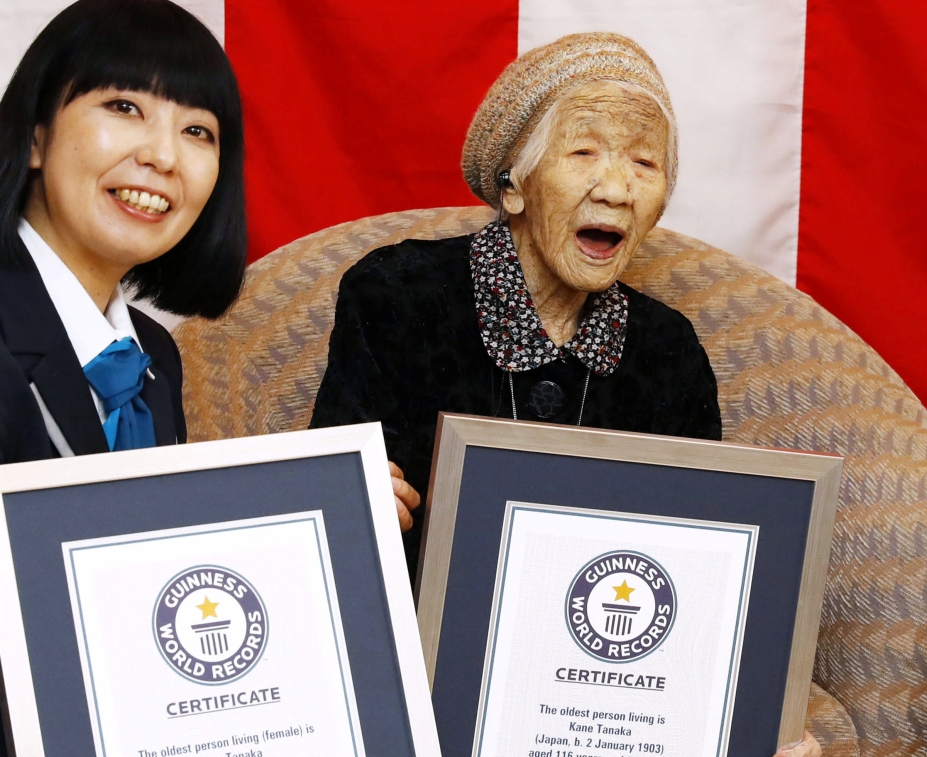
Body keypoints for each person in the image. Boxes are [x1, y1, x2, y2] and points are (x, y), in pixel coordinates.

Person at [312, 32, 822, 757]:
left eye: (645, 162)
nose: (617, 186)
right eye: (584, 152)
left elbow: (704, 570)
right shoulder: (397, 295)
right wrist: (355, 498)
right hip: (427, 680)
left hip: (601, 689)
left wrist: (745, 714)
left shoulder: (668, 350)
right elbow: (338, 523)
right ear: (515, 184)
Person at [0, 0, 245, 465]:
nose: (164, 157)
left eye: (197, 130)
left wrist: (342, 496)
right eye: (125, 106)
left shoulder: (152, 357)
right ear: (35, 136)